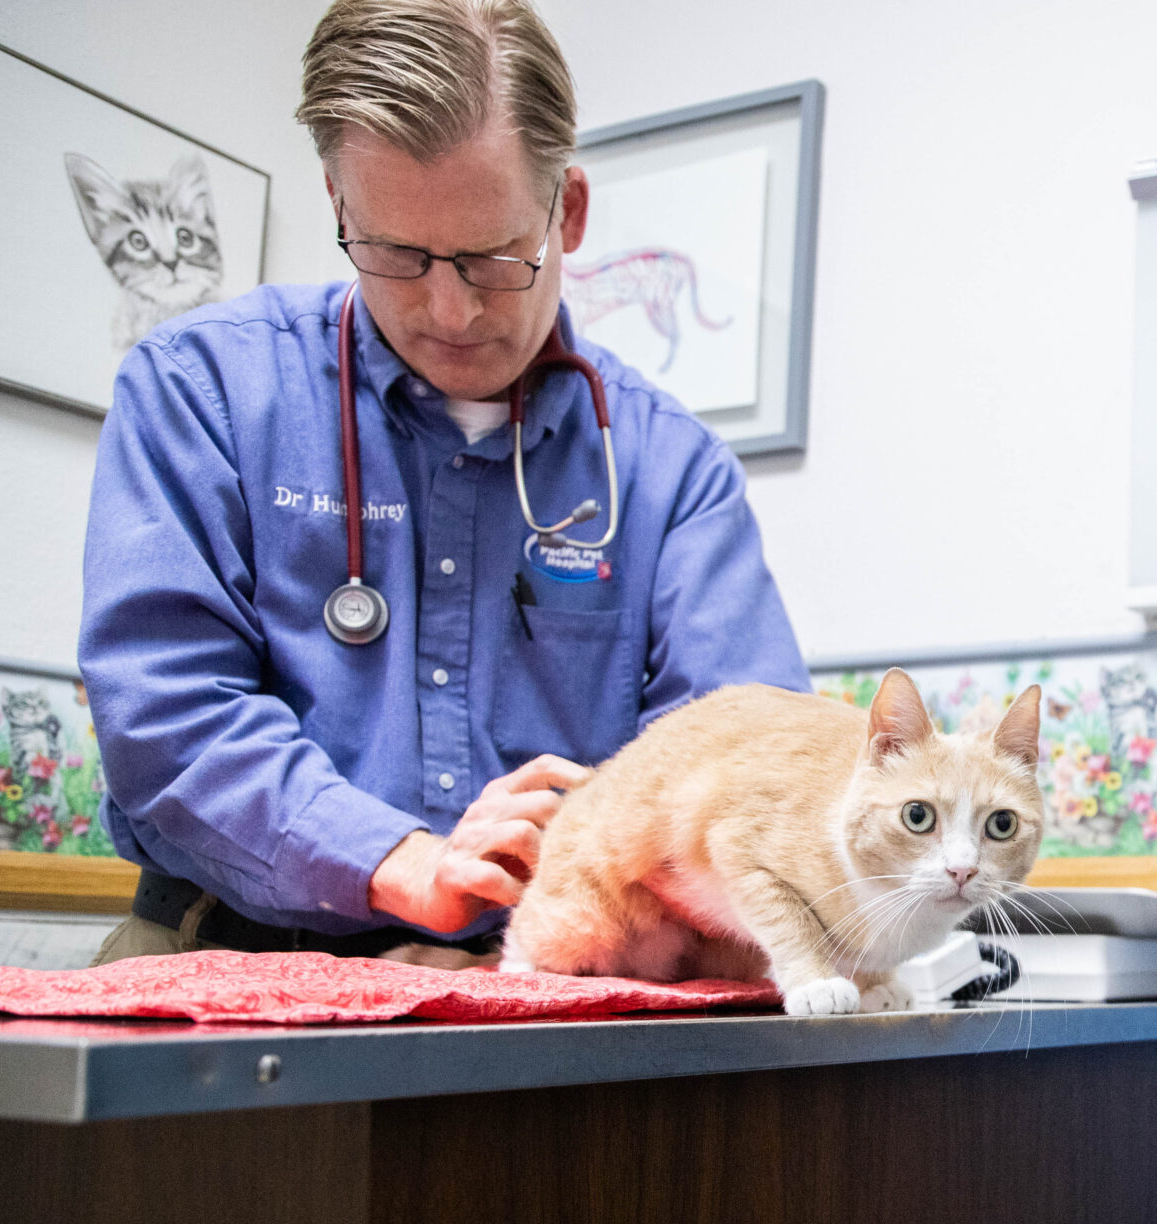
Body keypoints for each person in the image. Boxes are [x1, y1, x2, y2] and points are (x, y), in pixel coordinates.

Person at [79, 0, 810, 964]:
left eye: (492, 258)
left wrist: (612, 850)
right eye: (398, 255)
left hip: (544, 973)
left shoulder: (672, 472)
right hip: (225, 953)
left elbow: (750, 759)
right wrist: (398, 860)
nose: (449, 308)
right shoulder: (200, 390)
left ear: (569, 212)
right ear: (342, 209)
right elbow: (165, 717)